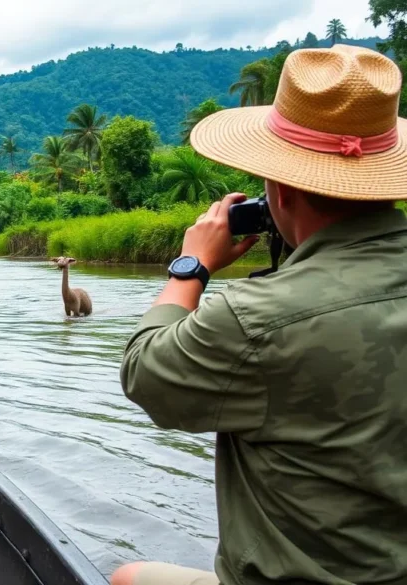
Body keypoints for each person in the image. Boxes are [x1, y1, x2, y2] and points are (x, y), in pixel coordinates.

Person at [113, 45, 407, 585]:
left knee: (129, 577)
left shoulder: (256, 318)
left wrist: (191, 268)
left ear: (280, 188)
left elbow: (145, 371)